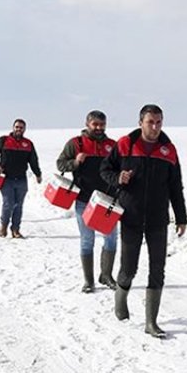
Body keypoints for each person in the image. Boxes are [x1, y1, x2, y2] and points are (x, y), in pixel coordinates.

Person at [99, 104, 187, 338]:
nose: (155, 126)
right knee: (130, 267)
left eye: (159, 122)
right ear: (141, 122)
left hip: (158, 218)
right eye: (151, 122)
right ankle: (120, 299)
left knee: (158, 269)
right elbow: (104, 169)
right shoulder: (125, 144)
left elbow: (175, 186)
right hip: (131, 216)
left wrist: (181, 216)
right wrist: (118, 177)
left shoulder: (169, 149)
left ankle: (151, 322)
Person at [56, 110, 119, 293]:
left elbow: (120, 167)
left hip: (108, 202)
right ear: (87, 124)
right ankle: (89, 281)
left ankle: (106, 275)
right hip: (84, 200)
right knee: (87, 240)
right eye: (95, 125)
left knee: (112, 239)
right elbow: (60, 164)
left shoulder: (112, 145)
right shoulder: (76, 143)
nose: (99, 128)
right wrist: (75, 163)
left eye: (102, 125)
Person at [0, 118, 42, 238]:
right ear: (13, 128)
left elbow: (33, 160)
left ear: (24, 129)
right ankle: (4, 225)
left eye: (21, 127)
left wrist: (38, 174)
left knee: (19, 205)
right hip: (6, 178)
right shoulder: (4, 140)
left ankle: (15, 229)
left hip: (22, 179)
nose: (19, 129)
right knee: (8, 203)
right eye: (17, 127)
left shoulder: (28, 144)